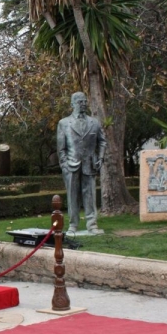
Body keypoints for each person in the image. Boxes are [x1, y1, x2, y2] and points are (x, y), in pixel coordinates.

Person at [57, 91, 107, 235]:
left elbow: (102, 141)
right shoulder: (64, 123)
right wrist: (64, 165)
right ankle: (73, 225)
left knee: (90, 195)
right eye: (80, 102)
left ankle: (92, 225)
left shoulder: (94, 122)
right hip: (71, 165)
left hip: (90, 164)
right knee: (72, 196)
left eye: (85, 101)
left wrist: (101, 158)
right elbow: (61, 148)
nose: (83, 104)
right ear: (72, 104)